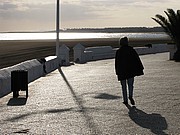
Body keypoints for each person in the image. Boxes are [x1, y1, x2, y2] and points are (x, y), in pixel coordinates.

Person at [115, 37, 144, 105]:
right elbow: (137, 59)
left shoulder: (119, 51)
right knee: (130, 85)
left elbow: (117, 63)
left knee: (123, 86)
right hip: (130, 70)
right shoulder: (131, 50)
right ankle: (130, 96)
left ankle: (125, 100)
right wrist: (140, 68)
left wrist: (117, 71)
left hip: (122, 71)